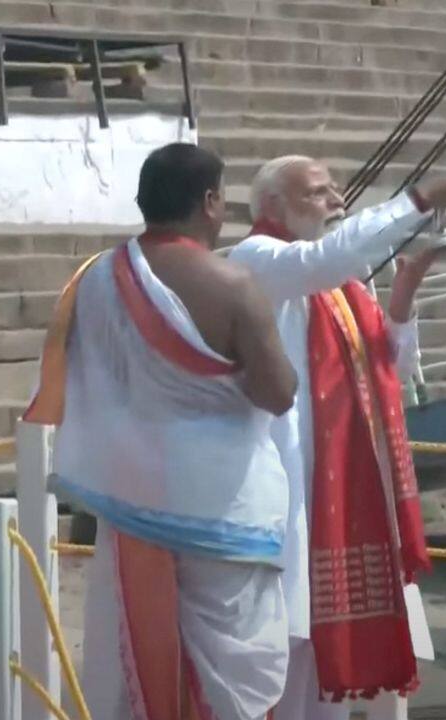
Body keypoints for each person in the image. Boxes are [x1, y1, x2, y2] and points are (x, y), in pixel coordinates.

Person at [23, 143, 298, 720]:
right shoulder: (233, 286)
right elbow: (278, 392)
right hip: (226, 508)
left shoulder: (95, 278)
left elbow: (92, 375)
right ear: (210, 202)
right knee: (234, 673)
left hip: (132, 501)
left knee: (132, 663)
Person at [228, 155, 446, 720]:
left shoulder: (336, 282)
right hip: (291, 489)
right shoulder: (258, 260)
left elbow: (391, 361)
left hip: (343, 481)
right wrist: (419, 198)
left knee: (325, 671)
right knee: (282, 662)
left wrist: (408, 285)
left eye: (333, 189)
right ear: (274, 207)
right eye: (318, 192)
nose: (335, 200)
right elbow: (326, 258)